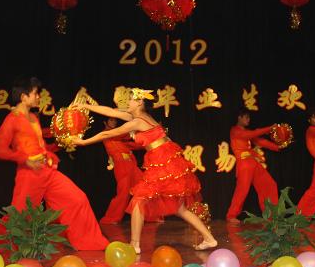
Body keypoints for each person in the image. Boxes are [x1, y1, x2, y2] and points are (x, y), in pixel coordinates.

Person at [75, 88, 217, 254]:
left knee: (139, 200)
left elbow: (108, 134)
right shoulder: (140, 118)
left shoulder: (137, 122)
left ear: (139, 102)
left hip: (162, 162)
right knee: (179, 208)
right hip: (165, 160)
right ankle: (210, 239)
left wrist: (83, 142)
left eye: (131, 100)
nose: (128, 102)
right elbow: (111, 111)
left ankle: (134, 244)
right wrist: (85, 106)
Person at [0, 77, 108, 251]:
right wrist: (25, 159)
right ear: (23, 97)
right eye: (35, 94)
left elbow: (41, 146)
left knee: (77, 198)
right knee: (20, 216)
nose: (38, 97)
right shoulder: (12, 119)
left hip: (47, 171)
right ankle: (3, 249)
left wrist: (61, 144)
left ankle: (90, 243)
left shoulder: (33, 117)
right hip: (29, 175)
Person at [224, 109, 281, 223]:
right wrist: (269, 128)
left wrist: (277, 147)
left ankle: (271, 215)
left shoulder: (246, 132)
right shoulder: (235, 131)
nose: (248, 120)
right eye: (246, 117)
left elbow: (260, 141)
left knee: (269, 184)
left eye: (249, 117)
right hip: (244, 164)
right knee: (242, 190)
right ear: (239, 117)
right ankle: (231, 215)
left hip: (253, 162)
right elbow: (252, 134)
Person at [99, 117, 144, 224]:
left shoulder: (119, 137)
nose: (114, 122)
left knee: (144, 188)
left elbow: (135, 144)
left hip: (131, 165)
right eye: (111, 120)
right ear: (105, 122)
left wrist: (148, 139)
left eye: (115, 120)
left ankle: (151, 216)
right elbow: (123, 135)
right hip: (121, 165)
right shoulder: (106, 134)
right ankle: (111, 218)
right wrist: (132, 129)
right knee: (123, 193)